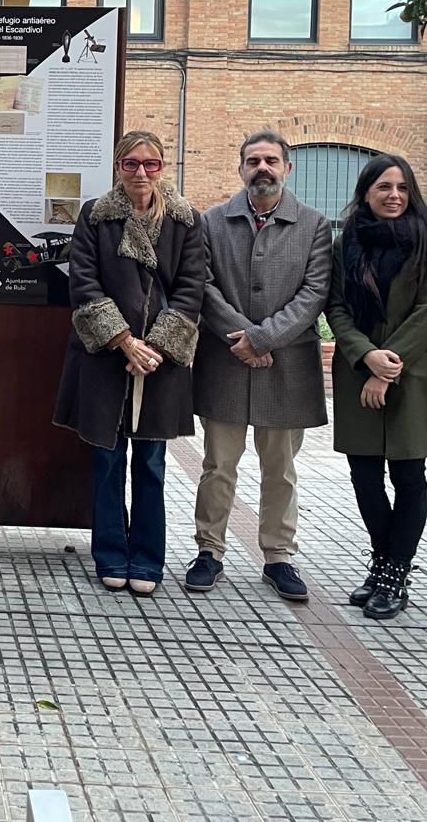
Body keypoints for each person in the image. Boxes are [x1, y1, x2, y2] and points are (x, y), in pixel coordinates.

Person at [53, 131, 205, 595]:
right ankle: (111, 554)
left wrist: (155, 345)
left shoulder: (186, 221)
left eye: (151, 164)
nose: (141, 172)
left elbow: (192, 287)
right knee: (107, 461)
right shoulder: (96, 217)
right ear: (118, 166)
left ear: (163, 168)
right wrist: (124, 341)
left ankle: (147, 559)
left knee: (152, 463)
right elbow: (83, 282)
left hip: (160, 363)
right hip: (105, 359)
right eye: (132, 163)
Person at [187, 130, 331, 602]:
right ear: (241, 168)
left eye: (271, 160)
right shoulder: (210, 222)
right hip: (225, 362)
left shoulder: (314, 225)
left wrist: (264, 338)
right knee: (217, 466)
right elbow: (202, 286)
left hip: (286, 367)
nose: (262, 168)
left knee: (281, 468)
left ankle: (278, 557)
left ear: (288, 168)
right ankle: (209, 551)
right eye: (253, 161)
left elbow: (313, 294)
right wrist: (243, 338)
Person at [325, 155, 427, 619]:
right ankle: (383, 564)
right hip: (358, 370)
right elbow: (335, 307)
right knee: (364, 476)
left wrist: (387, 366)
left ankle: (395, 572)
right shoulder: (346, 244)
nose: (393, 195)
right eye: (383, 187)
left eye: (401, 187)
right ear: (366, 193)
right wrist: (365, 355)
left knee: (409, 476)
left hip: (411, 374)